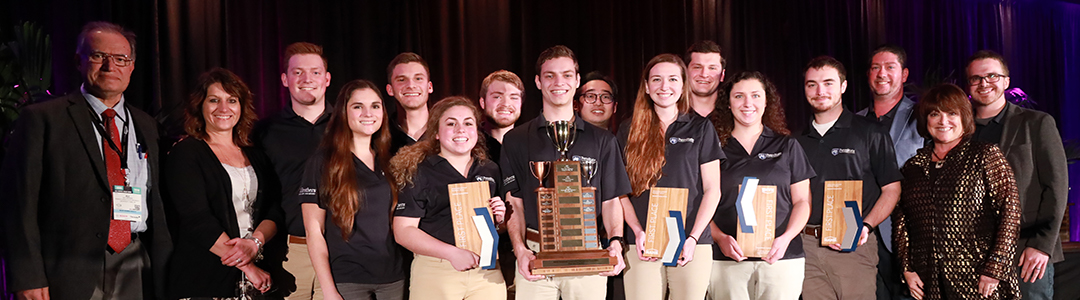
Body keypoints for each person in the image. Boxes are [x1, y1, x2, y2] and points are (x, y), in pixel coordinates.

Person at [0, 21, 172, 300]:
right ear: (78, 61)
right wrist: (27, 277)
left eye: (120, 59)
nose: (109, 66)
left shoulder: (147, 125)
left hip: (137, 265)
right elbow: (18, 206)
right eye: (98, 56)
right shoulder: (43, 119)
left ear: (132, 66)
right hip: (66, 271)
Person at [500, 45, 630, 300]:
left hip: (589, 254)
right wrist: (520, 250)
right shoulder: (515, 140)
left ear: (578, 80)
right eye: (550, 75)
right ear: (538, 82)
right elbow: (513, 201)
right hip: (536, 257)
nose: (558, 82)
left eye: (567, 75)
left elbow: (611, 199)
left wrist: (616, 241)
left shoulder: (603, 140)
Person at [162, 68, 284, 298]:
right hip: (204, 279)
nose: (223, 108)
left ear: (241, 106)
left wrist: (255, 243)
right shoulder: (187, 152)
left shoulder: (256, 155)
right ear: (200, 105)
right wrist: (247, 266)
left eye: (232, 100)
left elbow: (274, 209)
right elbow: (196, 219)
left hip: (254, 283)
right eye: (214, 100)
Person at [893, 83, 1021, 300]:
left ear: (964, 117)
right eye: (935, 114)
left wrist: (995, 268)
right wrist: (907, 268)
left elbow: (1010, 212)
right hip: (928, 282)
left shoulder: (985, 156)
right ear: (926, 120)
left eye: (951, 113)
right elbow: (902, 221)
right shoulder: (912, 167)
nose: (943, 121)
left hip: (979, 279)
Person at [793, 56, 902, 299]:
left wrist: (865, 226)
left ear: (843, 86)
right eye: (812, 84)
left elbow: (892, 189)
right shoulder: (795, 140)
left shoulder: (870, 132)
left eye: (828, 83)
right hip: (806, 245)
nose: (820, 91)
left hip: (854, 245)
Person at [617, 54, 723, 300]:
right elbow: (620, 190)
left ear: (683, 85)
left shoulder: (700, 127)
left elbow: (712, 189)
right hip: (641, 243)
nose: (665, 87)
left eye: (673, 79)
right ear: (646, 86)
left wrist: (694, 237)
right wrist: (636, 231)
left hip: (690, 241)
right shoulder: (628, 128)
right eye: (657, 79)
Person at [965, 50, 1068, 300]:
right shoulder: (960, 131)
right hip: (974, 254)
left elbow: (1056, 187)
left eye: (991, 76)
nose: (984, 83)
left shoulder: (1037, 123)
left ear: (1006, 81)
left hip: (1026, 252)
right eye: (976, 78)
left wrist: (1041, 245)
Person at [706, 71, 813, 300]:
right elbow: (701, 202)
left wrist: (786, 239)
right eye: (739, 96)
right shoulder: (714, 149)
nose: (748, 103)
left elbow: (803, 202)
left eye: (755, 95)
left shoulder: (788, 146)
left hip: (781, 258)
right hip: (727, 260)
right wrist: (719, 237)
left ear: (766, 101)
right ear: (728, 103)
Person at [391, 96, 508, 299]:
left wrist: (500, 219)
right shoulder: (421, 172)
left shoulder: (490, 169)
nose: (460, 130)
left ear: (477, 131)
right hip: (437, 270)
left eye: (468, 123)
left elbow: (496, 228)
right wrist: (452, 253)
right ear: (436, 132)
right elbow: (403, 231)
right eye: (451, 123)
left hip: (486, 271)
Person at [299, 80, 407, 300]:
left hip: (393, 278)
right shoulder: (323, 162)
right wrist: (329, 290)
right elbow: (314, 232)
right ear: (343, 112)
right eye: (358, 106)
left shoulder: (390, 160)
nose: (368, 113)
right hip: (347, 280)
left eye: (375, 106)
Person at [252, 41, 333, 300]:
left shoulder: (348, 127)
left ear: (327, 79)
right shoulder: (264, 131)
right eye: (298, 72)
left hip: (340, 251)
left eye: (315, 72)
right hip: (286, 253)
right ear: (285, 79)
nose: (307, 79)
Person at [857, 44, 923, 300]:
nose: (881, 73)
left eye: (889, 67)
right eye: (875, 67)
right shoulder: (854, 121)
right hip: (864, 233)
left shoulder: (923, 117)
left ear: (904, 75)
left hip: (908, 235)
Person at [386, 52, 435, 154]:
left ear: (429, 87)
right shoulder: (381, 137)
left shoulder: (446, 131)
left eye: (418, 79)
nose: (411, 85)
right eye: (402, 80)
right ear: (390, 89)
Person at [478, 70, 524, 164]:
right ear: (483, 103)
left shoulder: (530, 144)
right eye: (497, 97)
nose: (506, 104)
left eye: (514, 97)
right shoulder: (469, 144)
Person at [685, 40, 726, 117]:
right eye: (697, 67)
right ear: (686, 72)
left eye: (712, 68)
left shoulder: (734, 114)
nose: (704, 74)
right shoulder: (671, 113)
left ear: (722, 75)